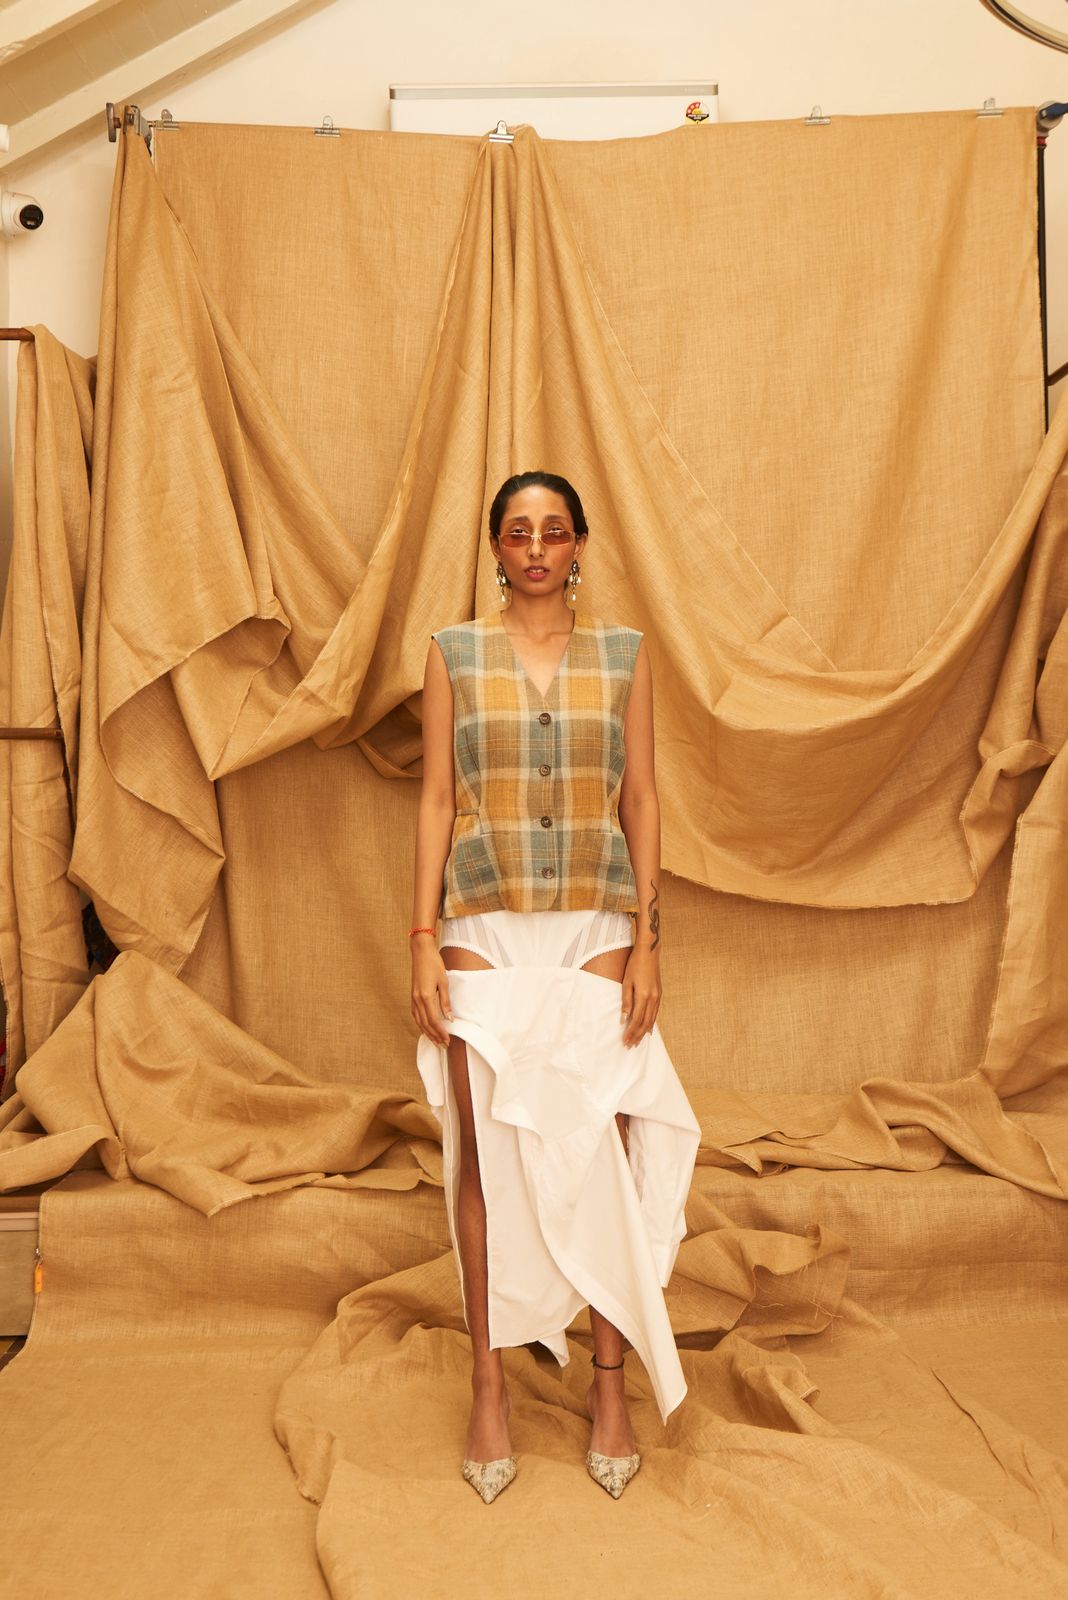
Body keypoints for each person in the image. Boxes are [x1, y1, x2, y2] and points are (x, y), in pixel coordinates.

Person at [410, 471, 700, 1504]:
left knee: (605, 1153)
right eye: (518, 531)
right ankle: (489, 1379)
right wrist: (421, 937)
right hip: (482, 922)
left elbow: (644, 796)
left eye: (555, 530)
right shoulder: (453, 654)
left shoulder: (624, 657)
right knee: (482, 1157)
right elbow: (439, 797)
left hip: (597, 923)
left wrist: (652, 941)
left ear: (579, 546)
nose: (537, 546)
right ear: (497, 547)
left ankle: (610, 1385)